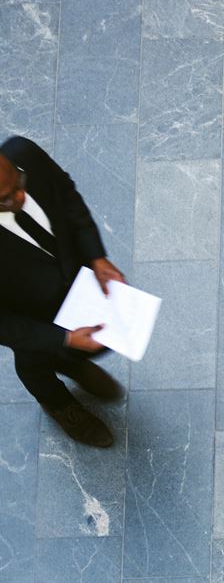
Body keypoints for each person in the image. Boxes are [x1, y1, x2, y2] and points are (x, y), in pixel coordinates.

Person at [0, 137, 127, 449]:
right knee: (35, 362)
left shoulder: (23, 153)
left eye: (19, 181)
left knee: (97, 343)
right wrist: (64, 339)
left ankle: (69, 361)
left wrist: (96, 255)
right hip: (28, 316)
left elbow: (67, 195)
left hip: (75, 281)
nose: (21, 196)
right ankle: (58, 404)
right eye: (6, 198)